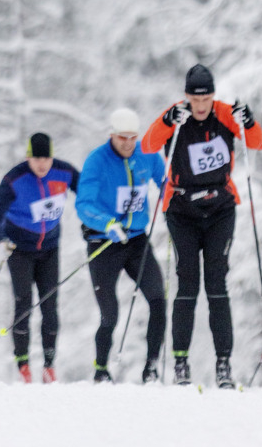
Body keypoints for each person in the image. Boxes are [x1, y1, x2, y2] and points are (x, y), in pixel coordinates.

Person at [141, 64, 262, 388]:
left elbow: (258, 143)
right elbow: (148, 145)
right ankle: (180, 362)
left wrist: (248, 120)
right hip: (182, 210)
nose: (200, 106)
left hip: (220, 208)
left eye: (206, 99)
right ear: (186, 98)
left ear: (213, 96)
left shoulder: (225, 114)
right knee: (187, 283)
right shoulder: (177, 115)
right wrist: (167, 121)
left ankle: (223, 363)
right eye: (195, 100)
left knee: (216, 282)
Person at [75, 108, 168, 384]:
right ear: (111, 135)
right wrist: (106, 224)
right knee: (109, 314)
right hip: (104, 242)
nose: (128, 143)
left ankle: (151, 368)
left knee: (158, 301)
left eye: (132, 138)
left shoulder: (147, 153)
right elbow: (84, 204)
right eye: (122, 138)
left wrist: (172, 205)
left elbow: (166, 184)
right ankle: (101, 368)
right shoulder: (97, 160)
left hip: (137, 241)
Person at [0, 133, 80, 383]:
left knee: (50, 305)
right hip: (19, 248)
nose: (41, 164)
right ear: (28, 157)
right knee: (23, 302)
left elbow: (86, 194)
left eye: (46, 158)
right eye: (36, 158)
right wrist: (1, 239)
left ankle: (49, 365)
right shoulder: (14, 179)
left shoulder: (64, 172)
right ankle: (23, 364)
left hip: (50, 247)